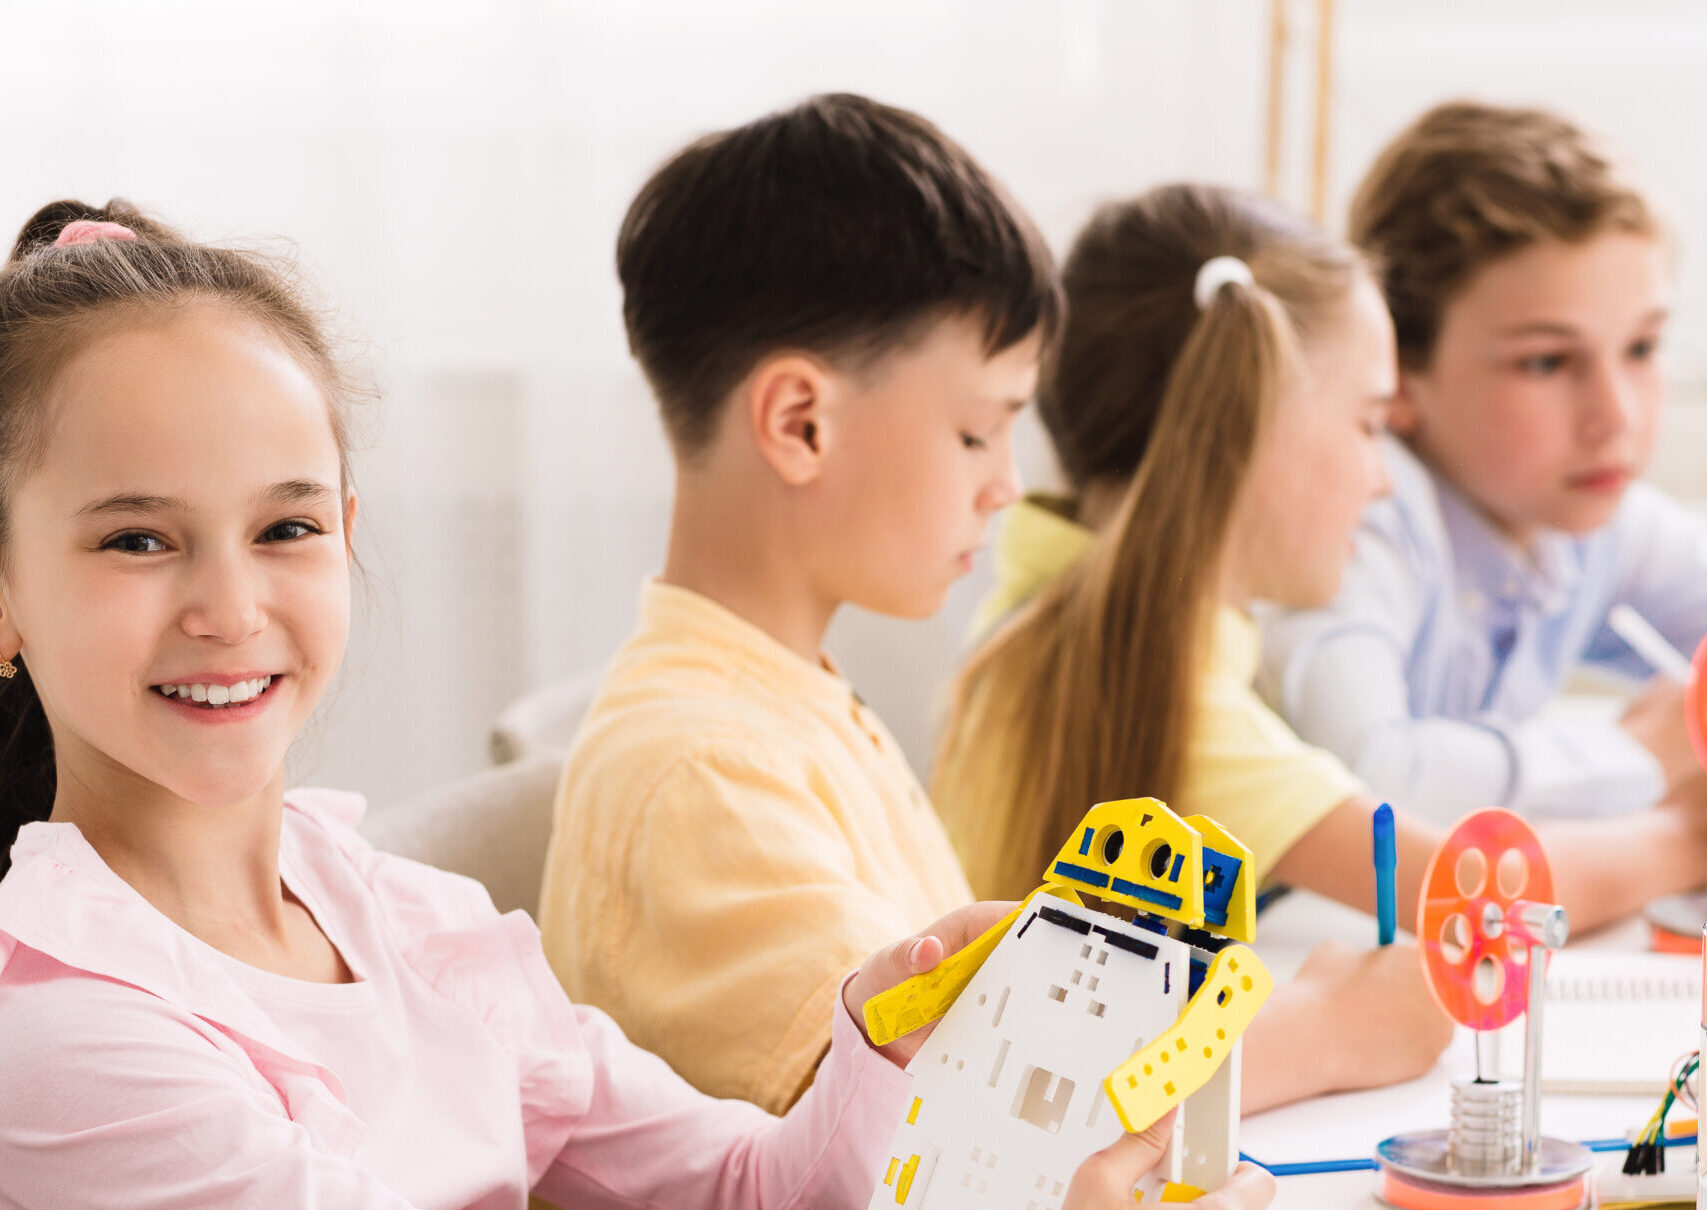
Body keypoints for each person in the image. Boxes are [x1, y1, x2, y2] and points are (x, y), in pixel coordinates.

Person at [0, 201, 1274, 1210]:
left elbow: (754, 1205)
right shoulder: (56, 1023)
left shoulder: (398, 919)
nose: (228, 605)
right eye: (135, 539)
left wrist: (894, 1043)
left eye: (286, 529)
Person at [538, 94, 1055, 1121]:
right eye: (974, 434)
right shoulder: (706, 772)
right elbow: (949, 1133)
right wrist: (1312, 1034)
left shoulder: (793, 698)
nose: (1005, 486)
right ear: (800, 422)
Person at [935, 184, 1455, 1109]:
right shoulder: (1145, 683)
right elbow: (1466, 895)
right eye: (1369, 426)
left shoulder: (1036, 605)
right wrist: (1678, 835)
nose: (1381, 483)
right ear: (1251, 420)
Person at [1261, 101, 1707, 828]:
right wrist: (1642, 755)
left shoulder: (1586, 512)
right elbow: (1366, 779)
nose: (1616, 415)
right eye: (1545, 361)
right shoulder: (1359, 515)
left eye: (1641, 348)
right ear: (1397, 370)